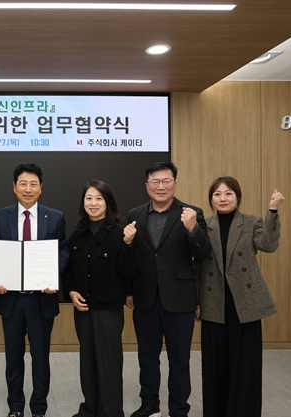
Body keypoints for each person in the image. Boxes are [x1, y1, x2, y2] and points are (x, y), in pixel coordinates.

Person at [127, 161, 211, 417]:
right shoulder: (135, 214)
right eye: (155, 182)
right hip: (145, 299)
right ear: (147, 186)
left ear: (175, 183)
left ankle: (179, 409)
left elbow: (204, 254)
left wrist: (192, 228)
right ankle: (149, 404)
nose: (160, 186)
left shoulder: (192, 213)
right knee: (147, 358)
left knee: (180, 360)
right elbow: (132, 258)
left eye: (166, 181)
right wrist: (129, 290)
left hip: (180, 299)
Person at [197, 177, 284, 417]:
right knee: (215, 364)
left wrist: (273, 210)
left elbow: (268, 245)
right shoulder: (204, 225)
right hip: (213, 301)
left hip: (245, 302)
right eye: (217, 194)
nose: (222, 198)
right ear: (211, 199)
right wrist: (195, 301)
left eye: (228, 193)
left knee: (246, 364)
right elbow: (197, 264)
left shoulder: (252, 222)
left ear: (238, 197)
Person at [0, 162, 70, 417]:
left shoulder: (54, 216)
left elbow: (63, 249)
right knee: (13, 358)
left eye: (33, 184)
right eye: (22, 183)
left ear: (41, 187)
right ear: (14, 187)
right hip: (11, 299)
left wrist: (52, 275)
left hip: (41, 300)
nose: (28, 189)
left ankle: (39, 409)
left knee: (40, 358)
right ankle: (15, 407)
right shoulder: (0, 216)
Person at [61, 180, 138, 417]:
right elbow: (68, 272)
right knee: (88, 362)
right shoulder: (76, 236)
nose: (93, 203)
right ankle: (90, 409)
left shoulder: (120, 234)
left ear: (108, 202)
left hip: (108, 309)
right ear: (83, 203)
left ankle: (111, 412)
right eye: (89, 198)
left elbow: (128, 272)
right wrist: (71, 292)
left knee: (109, 364)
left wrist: (128, 244)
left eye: (99, 198)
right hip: (83, 309)